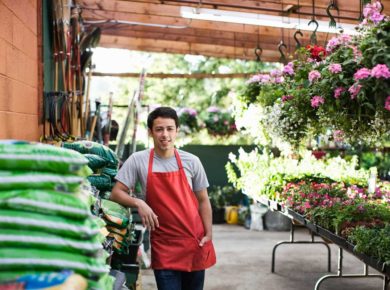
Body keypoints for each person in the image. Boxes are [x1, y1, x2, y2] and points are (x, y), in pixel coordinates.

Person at [111, 106, 216, 290]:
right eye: (159, 129)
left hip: (194, 242)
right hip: (164, 245)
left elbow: (203, 200)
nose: (164, 134)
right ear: (150, 132)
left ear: (177, 131)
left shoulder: (192, 161)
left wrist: (208, 233)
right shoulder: (138, 160)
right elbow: (116, 192)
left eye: (169, 128)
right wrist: (139, 202)